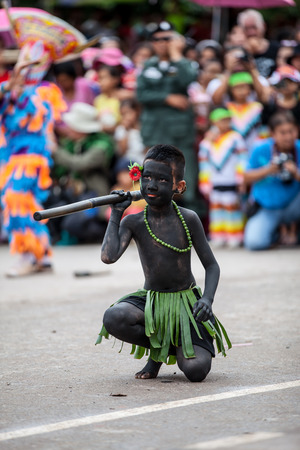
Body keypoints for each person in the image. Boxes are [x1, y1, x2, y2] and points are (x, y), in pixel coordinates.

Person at [96, 144, 230, 382]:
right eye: (146, 177)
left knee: (196, 371)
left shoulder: (188, 219)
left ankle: (183, 343)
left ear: (179, 186)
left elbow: (212, 266)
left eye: (162, 180)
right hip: (152, 302)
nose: (152, 185)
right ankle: (159, 350)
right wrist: (116, 213)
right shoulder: (134, 222)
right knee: (114, 317)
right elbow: (108, 256)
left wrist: (207, 299)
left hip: (187, 305)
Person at [0, 63, 66, 276]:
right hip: (10, 155)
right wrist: (7, 90)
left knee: (15, 199)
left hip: (32, 156)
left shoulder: (45, 90)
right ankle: (42, 256)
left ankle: (29, 255)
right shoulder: (9, 91)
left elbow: (37, 117)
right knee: (25, 204)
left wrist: (20, 93)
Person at [136, 21, 202, 216]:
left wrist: (176, 55)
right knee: (154, 179)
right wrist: (167, 98)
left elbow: (189, 78)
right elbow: (141, 95)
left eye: (167, 38)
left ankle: (193, 224)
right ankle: (157, 223)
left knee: (186, 177)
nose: (162, 43)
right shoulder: (147, 65)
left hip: (179, 132)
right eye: (157, 39)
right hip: (155, 131)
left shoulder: (183, 63)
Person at [51, 102, 115, 243]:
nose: (67, 128)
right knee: (50, 213)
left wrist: (56, 151)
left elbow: (80, 164)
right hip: (72, 193)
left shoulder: (101, 145)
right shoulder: (71, 143)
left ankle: (101, 234)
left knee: (72, 224)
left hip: (94, 194)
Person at [243, 111, 300, 250]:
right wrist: (269, 169)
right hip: (268, 208)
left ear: (297, 130)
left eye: (291, 131)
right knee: (255, 243)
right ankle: (275, 233)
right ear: (272, 133)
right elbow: (245, 177)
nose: (288, 136)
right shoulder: (260, 149)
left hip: (294, 206)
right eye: (282, 132)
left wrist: (295, 172)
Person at [199, 108, 247, 248]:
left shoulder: (235, 137)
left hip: (231, 180)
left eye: (227, 120)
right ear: (213, 122)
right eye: (221, 120)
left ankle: (235, 236)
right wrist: (205, 182)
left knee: (232, 207)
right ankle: (218, 236)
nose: (224, 123)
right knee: (216, 210)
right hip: (216, 182)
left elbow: (242, 159)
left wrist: (241, 178)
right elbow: (204, 163)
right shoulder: (208, 141)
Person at [226, 72, 263, 151]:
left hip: (254, 145)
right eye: (237, 87)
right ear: (231, 90)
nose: (241, 91)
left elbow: (261, 128)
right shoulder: (227, 108)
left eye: (244, 87)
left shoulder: (257, 107)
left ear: (250, 89)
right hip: (234, 149)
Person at [237, 9, 279, 78]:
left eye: (254, 27)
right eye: (246, 28)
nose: (251, 33)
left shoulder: (276, 48)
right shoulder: (239, 51)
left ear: (264, 26)